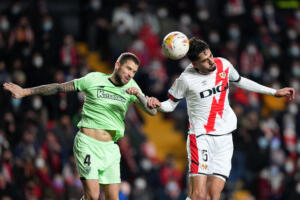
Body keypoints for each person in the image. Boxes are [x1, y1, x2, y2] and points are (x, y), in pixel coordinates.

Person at [147, 38, 295, 200]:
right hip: (201, 137)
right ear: (195, 64)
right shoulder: (185, 80)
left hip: (225, 137)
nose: (211, 61)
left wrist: (274, 92)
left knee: (214, 194)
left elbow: (240, 81)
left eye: (211, 55)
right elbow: (170, 105)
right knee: (198, 194)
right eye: (205, 60)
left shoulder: (223, 64)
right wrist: (157, 104)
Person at [3, 52, 157, 200]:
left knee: (113, 197)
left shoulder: (132, 86)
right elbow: (59, 87)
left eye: (134, 72)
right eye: (128, 68)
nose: (130, 74)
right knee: (93, 196)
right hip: (87, 143)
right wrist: (26, 91)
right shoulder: (94, 79)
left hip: (110, 148)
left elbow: (152, 112)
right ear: (117, 65)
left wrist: (140, 96)